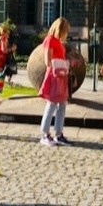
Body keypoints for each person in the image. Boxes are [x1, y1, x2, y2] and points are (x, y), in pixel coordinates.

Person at [39, 17, 72, 147]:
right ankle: (45, 134)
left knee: (61, 105)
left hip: (61, 75)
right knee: (51, 105)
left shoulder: (58, 41)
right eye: (66, 30)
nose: (67, 33)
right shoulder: (50, 40)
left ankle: (59, 134)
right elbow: (48, 61)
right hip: (54, 75)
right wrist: (62, 64)